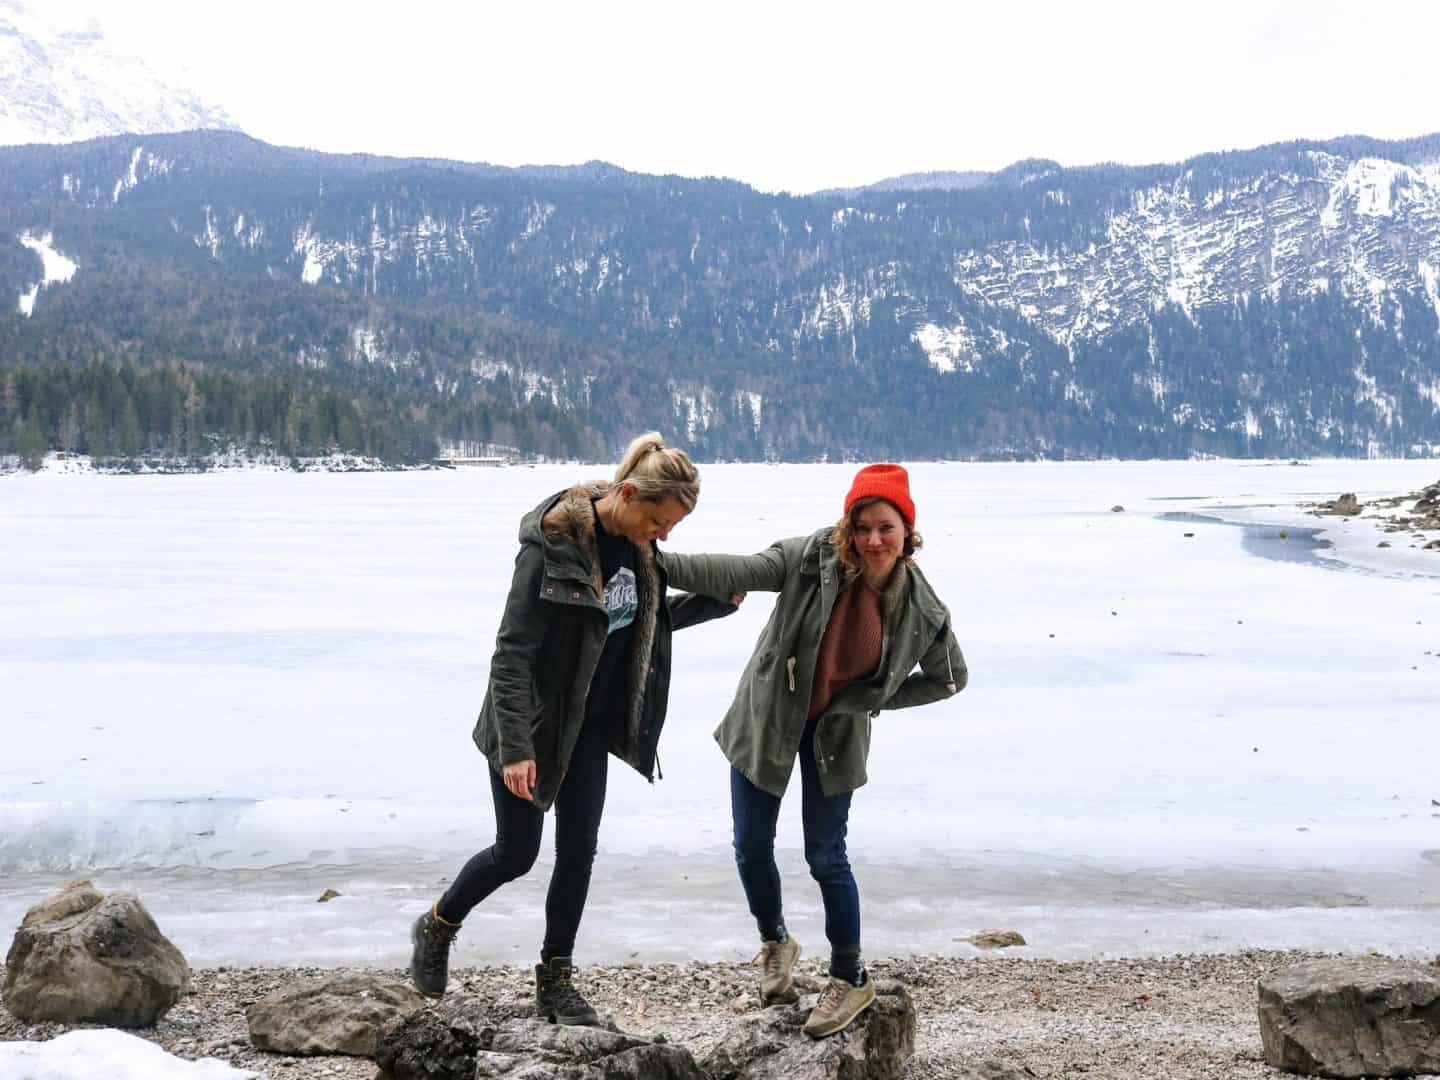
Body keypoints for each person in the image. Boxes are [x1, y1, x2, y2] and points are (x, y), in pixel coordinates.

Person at [409, 432, 737, 1023]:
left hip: (586, 727)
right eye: (658, 522)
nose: (662, 536)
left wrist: (717, 603)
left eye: (670, 530)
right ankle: (436, 926)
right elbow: (511, 655)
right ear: (630, 493)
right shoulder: (552, 544)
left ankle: (555, 979)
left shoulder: (639, 552)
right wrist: (514, 750)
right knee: (517, 853)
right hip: (531, 725)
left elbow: (640, 622)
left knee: (578, 852)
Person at [660, 463, 966, 1038]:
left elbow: (951, 678)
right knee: (750, 847)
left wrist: (868, 700)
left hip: (836, 735)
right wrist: (654, 561)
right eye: (863, 527)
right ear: (847, 527)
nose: (873, 540)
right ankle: (776, 942)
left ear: (907, 532)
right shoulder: (809, 559)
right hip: (768, 717)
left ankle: (850, 977)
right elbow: (741, 569)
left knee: (827, 856)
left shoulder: (922, 607)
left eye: (886, 527)